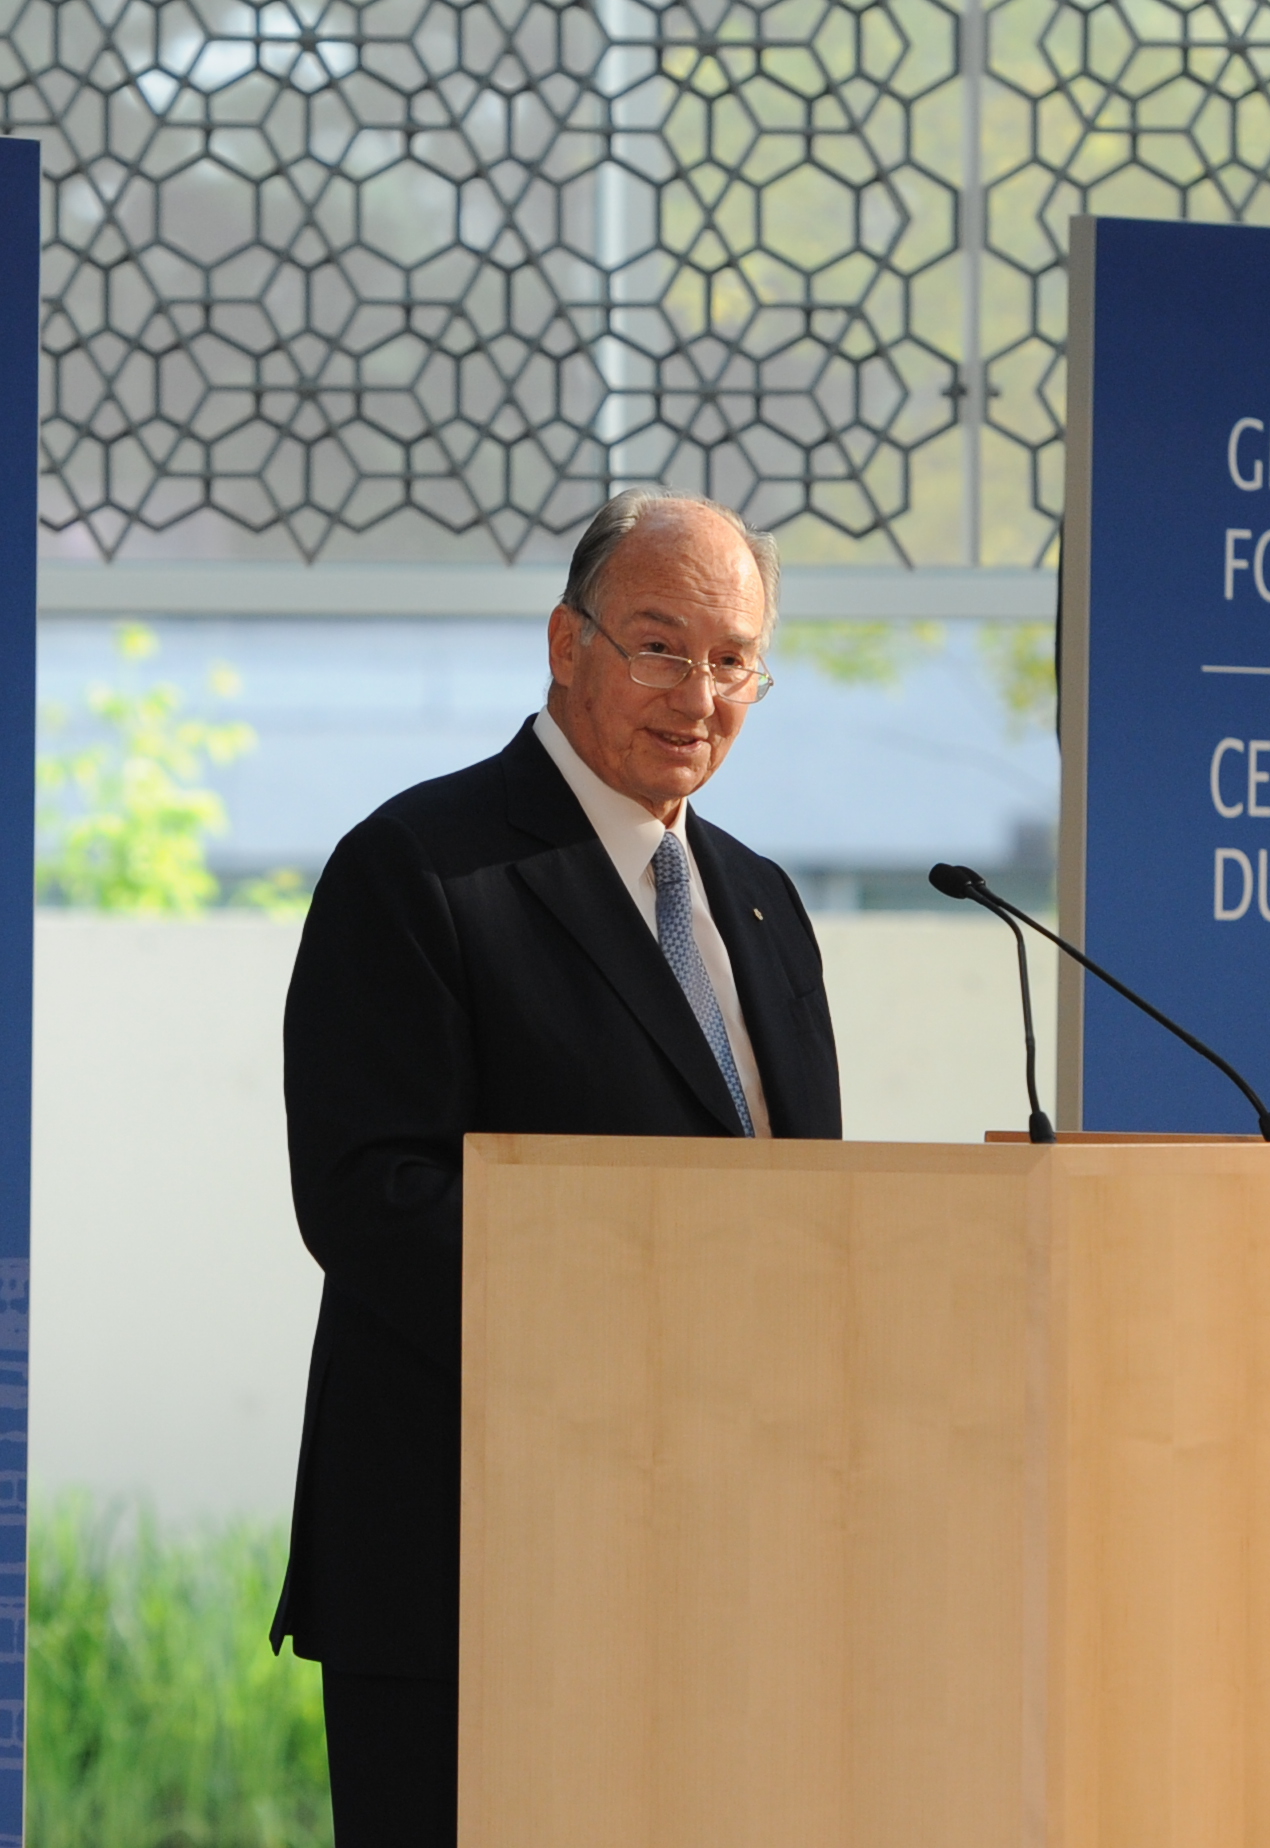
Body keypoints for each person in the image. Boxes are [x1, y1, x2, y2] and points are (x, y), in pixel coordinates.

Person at [271, 489, 846, 1844]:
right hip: (482, 1566)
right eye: (659, 645)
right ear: (565, 643)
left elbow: (812, 1211)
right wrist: (658, 1300)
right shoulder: (420, 868)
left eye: (733, 659)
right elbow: (371, 1201)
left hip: (718, 1559)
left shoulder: (761, 900)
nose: (697, 692)